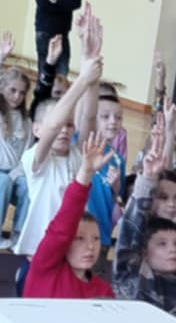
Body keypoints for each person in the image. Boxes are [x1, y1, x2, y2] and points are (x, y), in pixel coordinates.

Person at [15, 13, 103, 260]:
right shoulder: (36, 159)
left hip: (72, 248)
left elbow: (89, 116)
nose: (64, 130)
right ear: (36, 130)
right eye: (60, 125)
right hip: (40, 249)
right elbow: (52, 126)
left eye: (69, 126)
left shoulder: (77, 156)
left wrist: (90, 61)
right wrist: (82, 79)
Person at [113, 116, 176, 322]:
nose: (172, 250)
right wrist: (148, 177)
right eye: (163, 197)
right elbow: (132, 227)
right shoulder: (134, 248)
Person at [23, 127, 115, 300]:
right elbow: (63, 226)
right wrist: (85, 174)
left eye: (96, 239)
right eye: (80, 238)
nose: (91, 246)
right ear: (64, 242)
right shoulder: (45, 267)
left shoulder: (104, 291)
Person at [0, 31, 31, 249]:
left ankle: (20, 234)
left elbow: (26, 155)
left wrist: (15, 174)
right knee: (1, 182)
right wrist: (0, 59)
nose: (16, 96)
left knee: (28, 185)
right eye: (12, 90)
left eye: (22, 92)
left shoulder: (27, 121)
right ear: (3, 89)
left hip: (13, 173)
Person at [34, 0, 81, 81]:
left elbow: (77, 3)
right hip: (44, 33)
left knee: (63, 70)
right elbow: (43, 5)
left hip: (62, 34)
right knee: (45, 69)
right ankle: (43, 93)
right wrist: (66, 3)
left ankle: (59, 94)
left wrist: (55, 1)